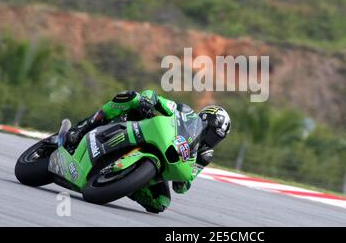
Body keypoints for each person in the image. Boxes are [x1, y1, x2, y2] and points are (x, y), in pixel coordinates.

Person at [65, 90, 231, 213]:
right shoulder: (185, 113)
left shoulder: (204, 156)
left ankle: (126, 184)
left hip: (162, 162)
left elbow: (184, 185)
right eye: (212, 133)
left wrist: (182, 181)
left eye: (217, 138)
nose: (212, 140)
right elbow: (155, 97)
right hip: (146, 129)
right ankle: (81, 128)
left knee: (162, 202)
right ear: (204, 120)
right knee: (132, 97)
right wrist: (148, 100)